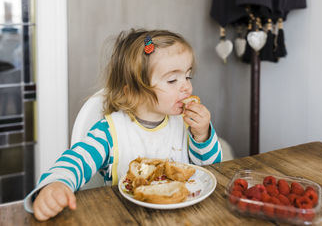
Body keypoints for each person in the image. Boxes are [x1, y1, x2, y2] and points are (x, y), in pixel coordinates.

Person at [24, 29, 222, 221]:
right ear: (133, 93)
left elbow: (211, 171)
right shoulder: (110, 132)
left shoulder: (184, 123)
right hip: (125, 217)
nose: (186, 86)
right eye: (172, 80)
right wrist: (56, 184)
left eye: (187, 76)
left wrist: (202, 135)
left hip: (184, 217)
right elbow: (76, 161)